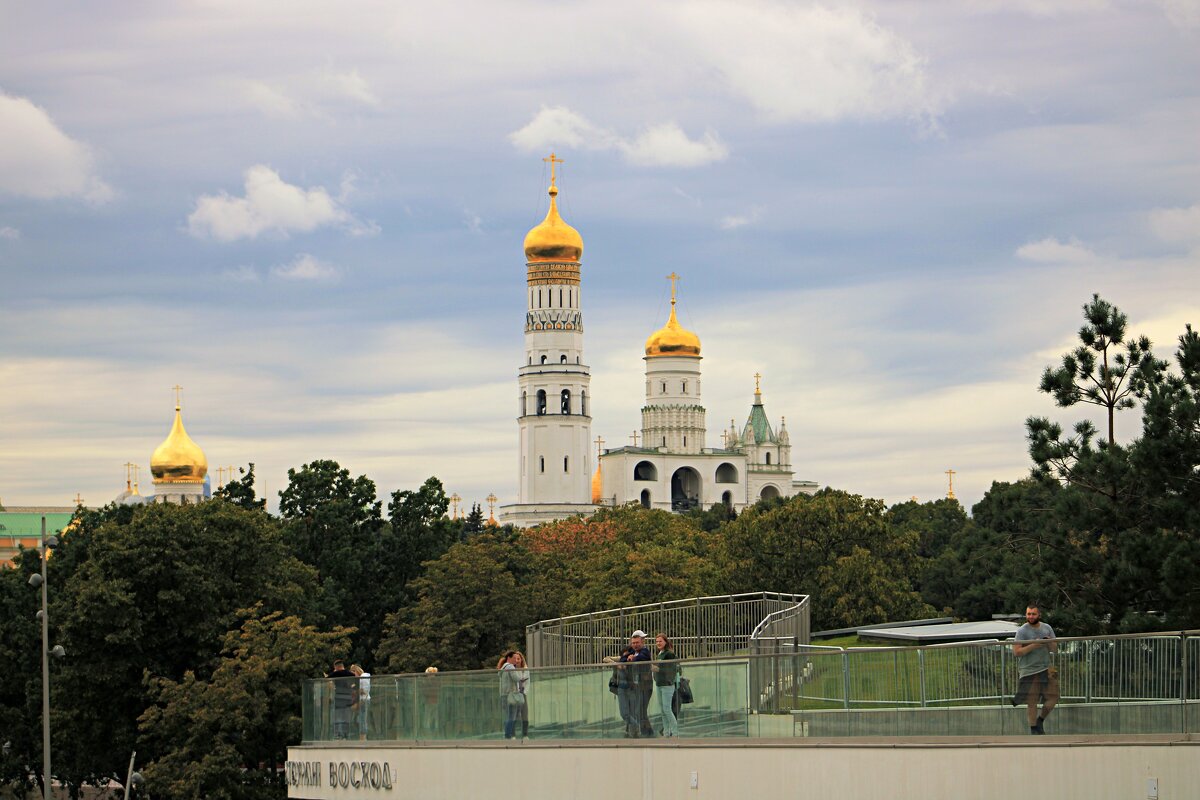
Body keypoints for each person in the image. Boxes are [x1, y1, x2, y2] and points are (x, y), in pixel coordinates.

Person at [1012, 604, 1058, 734]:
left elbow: (1055, 650)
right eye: (1028, 614)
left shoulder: (1047, 628)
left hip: (1046, 668)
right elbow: (1017, 652)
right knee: (1032, 702)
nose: (1030, 616)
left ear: (1039, 615)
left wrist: (1049, 642)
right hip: (1028, 670)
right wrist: (1033, 645)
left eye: (1033, 614)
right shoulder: (1022, 631)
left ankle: (1040, 720)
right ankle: (1033, 729)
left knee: (1053, 696)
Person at [618, 630, 654, 738]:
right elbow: (623, 659)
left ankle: (647, 733)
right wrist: (628, 658)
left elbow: (642, 657)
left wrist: (633, 658)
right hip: (638, 686)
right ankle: (646, 732)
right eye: (633, 643)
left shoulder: (644, 651)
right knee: (638, 711)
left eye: (637, 642)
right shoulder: (633, 652)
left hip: (645, 686)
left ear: (642, 642)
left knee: (640, 711)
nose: (635, 645)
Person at [651, 632, 680, 737]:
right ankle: (666, 732)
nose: (658, 643)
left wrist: (657, 668)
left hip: (667, 685)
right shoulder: (659, 654)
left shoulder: (669, 654)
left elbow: (670, 668)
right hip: (659, 684)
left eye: (660, 641)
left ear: (665, 642)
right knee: (663, 710)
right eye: (657, 641)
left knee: (667, 709)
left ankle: (675, 732)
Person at [498, 650, 528, 740]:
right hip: (511, 694)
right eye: (514, 658)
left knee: (507, 715)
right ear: (509, 658)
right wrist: (521, 678)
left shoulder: (503, 668)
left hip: (503, 694)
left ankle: (507, 734)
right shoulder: (510, 666)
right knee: (512, 716)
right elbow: (516, 678)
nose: (516, 660)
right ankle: (508, 735)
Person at [329, 659, 356, 740]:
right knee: (347, 717)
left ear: (336, 667)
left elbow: (327, 680)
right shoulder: (351, 674)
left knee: (337, 717)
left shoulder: (334, 674)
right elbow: (355, 684)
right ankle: (346, 735)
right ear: (342, 665)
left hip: (338, 698)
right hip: (348, 698)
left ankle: (338, 734)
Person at [350, 664, 371, 740]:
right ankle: (362, 735)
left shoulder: (363, 677)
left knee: (362, 719)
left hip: (363, 701)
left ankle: (363, 737)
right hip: (362, 700)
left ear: (356, 671)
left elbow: (364, 691)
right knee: (356, 720)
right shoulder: (361, 679)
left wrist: (355, 691)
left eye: (353, 673)